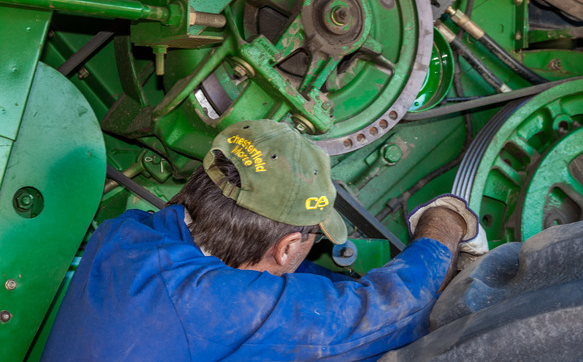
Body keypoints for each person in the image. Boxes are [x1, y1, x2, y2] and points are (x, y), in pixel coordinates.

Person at [42, 119, 486, 361]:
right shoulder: (215, 306)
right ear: (288, 246)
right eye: (313, 240)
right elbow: (395, 311)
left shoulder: (125, 234)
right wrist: (445, 221)